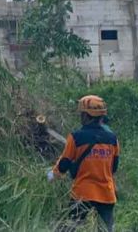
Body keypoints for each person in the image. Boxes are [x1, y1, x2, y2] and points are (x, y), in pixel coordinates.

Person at [49, 95, 119, 232]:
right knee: (106, 229)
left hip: (82, 193)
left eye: (82, 114)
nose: (80, 117)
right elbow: (114, 167)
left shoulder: (76, 137)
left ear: (87, 116)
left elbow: (64, 164)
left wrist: (53, 174)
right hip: (106, 193)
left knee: (69, 228)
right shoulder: (112, 139)